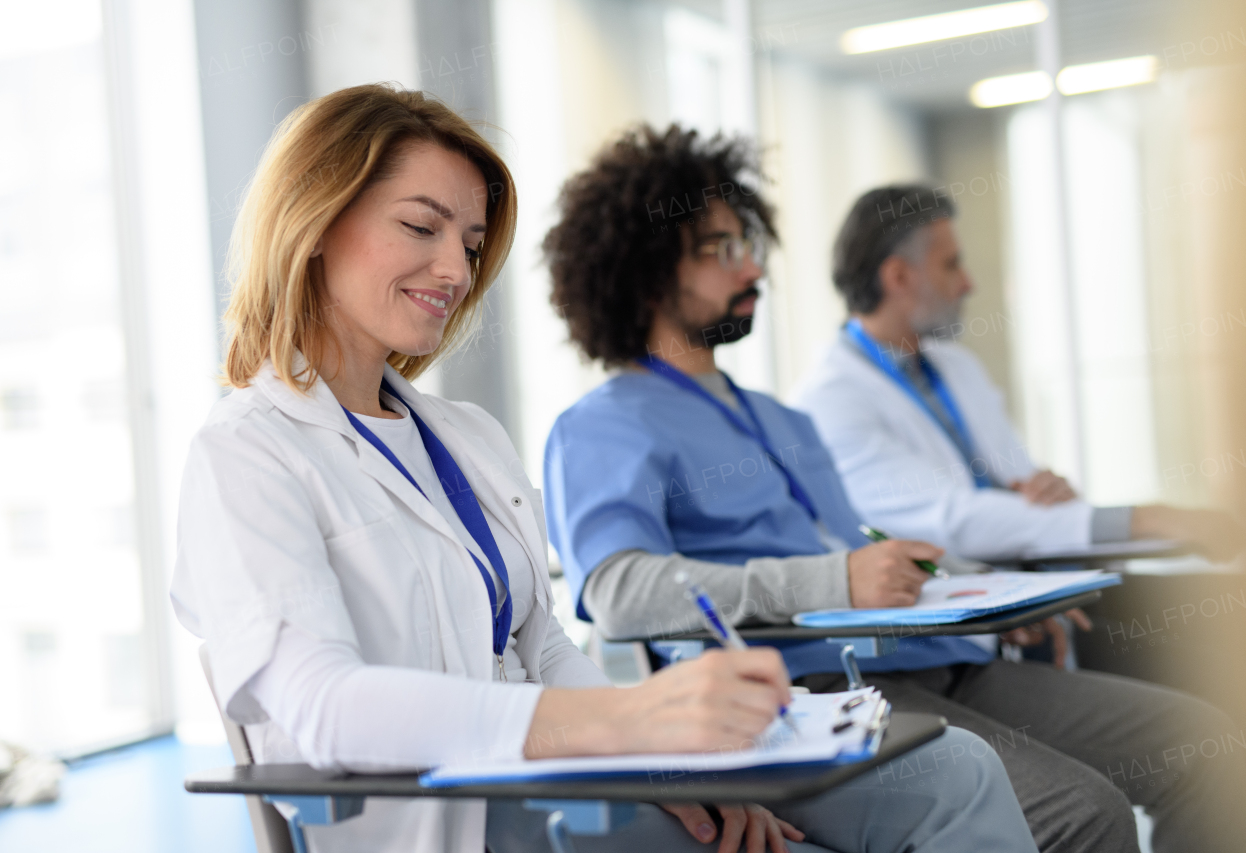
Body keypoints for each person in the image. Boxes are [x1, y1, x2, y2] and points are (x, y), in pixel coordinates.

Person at [169, 86, 1035, 853]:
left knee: (954, 769)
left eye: (470, 242)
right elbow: (324, 709)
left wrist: (663, 765)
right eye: (420, 226)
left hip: (569, 775)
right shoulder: (248, 452)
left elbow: (541, 642)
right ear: (314, 222)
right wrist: (626, 724)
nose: (455, 269)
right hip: (459, 811)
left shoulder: (464, 435)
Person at [541, 125, 1246, 853]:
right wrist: (834, 580)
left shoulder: (779, 417)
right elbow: (620, 590)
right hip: (810, 693)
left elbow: (859, 545)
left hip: (935, 661)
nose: (753, 266)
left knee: (1209, 744)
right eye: (722, 250)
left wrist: (989, 593)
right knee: (1083, 812)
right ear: (649, 268)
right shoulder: (603, 427)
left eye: (748, 244)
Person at [789, 184, 1242, 564]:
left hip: (1030, 586)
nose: (968, 284)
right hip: (954, 627)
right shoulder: (830, 401)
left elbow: (1021, 491)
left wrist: (1051, 491)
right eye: (951, 265)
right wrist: (1138, 519)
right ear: (899, 278)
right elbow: (952, 521)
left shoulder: (956, 366)